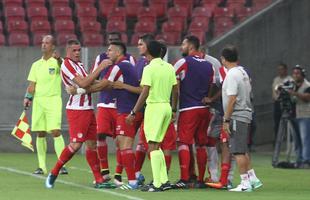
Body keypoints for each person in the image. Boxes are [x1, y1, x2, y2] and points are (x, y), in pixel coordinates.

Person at [45, 39, 112, 189]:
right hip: (77, 110)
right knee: (75, 145)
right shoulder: (67, 64)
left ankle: (99, 180)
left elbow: (89, 83)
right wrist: (100, 68)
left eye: (79, 50)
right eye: (74, 50)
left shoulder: (80, 65)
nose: (77, 53)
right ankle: (54, 172)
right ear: (67, 51)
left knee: (92, 144)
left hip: (88, 109)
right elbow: (83, 83)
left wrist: (100, 84)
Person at [113, 35, 177, 186]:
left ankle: (157, 184)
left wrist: (133, 112)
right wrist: (174, 109)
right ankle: (164, 180)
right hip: (166, 107)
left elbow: (145, 91)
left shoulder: (149, 68)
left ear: (149, 51)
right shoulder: (169, 67)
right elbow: (176, 90)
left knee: (152, 145)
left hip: (154, 107)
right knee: (158, 145)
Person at [91, 31, 135, 186]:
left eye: (113, 43)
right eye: (109, 42)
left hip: (119, 105)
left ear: (119, 46)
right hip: (104, 102)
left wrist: (82, 88)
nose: (108, 48)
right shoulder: (101, 58)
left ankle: (118, 174)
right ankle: (104, 172)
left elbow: (133, 81)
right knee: (100, 135)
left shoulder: (128, 60)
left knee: (120, 140)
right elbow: (95, 77)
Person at [173, 35, 214, 188]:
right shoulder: (208, 65)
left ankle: (184, 179)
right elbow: (212, 84)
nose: (180, 46)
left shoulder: (183, 62)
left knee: (183, 142)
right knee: (201, 144)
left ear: (190, 46)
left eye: (183, 44)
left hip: (188, 108)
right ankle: (200, 180)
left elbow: (173, 84)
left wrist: (173, 108)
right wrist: (207, 97)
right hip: (204, 109)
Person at [220, 45, 262, 192]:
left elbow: (232, 98)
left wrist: (226, 120)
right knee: (242, 149)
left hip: (237, 115)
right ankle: (253, 178)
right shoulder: (242, 72)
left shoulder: (232, 75)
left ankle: (245, 183)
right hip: (245, 113)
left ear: (223, 59)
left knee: (237, 151)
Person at [23, 35, 67, 175]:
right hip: (39, 101)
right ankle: (41, 166)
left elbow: (65, 68)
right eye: (42, 42)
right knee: (40, 132)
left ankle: (62, 164)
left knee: (55, 131)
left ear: (53, 46)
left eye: (47, 43)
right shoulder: (36, 65)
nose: (44, 45)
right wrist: (28, 97)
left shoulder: (58, 62)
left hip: (53, 100)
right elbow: (32, 84)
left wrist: (59, 59)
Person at [288, 65, 310, 168]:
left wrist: (294, 93)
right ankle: (298, 159)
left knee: (305, 138)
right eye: (294, 73)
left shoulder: (307, 85)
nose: (295, 75)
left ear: (302, 75)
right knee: (296, 139)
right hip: (293, 114)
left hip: (305, 115)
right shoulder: (291, 85)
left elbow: (307, 98)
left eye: (297, 73)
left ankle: (306, 160)